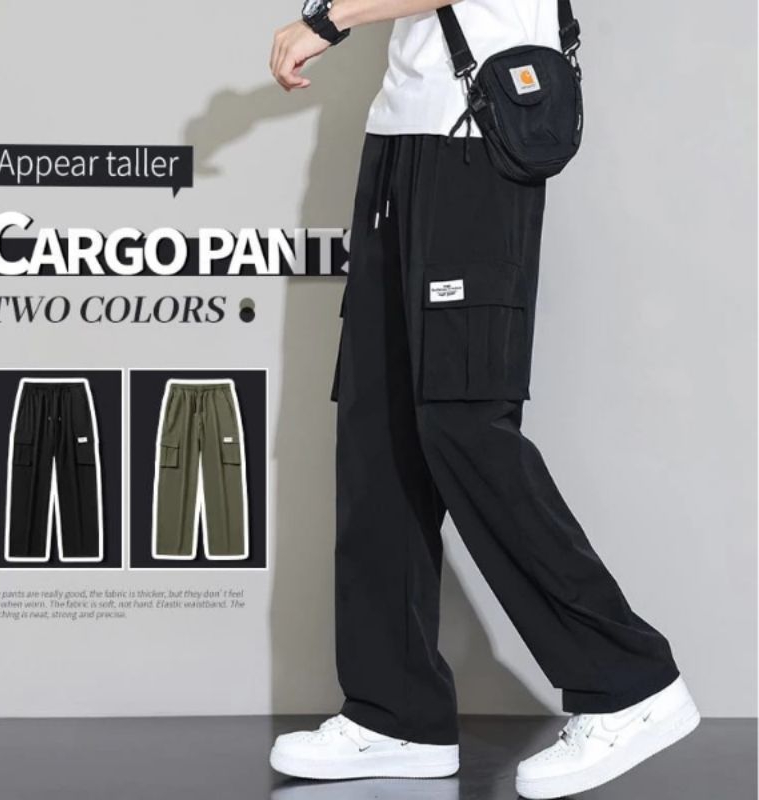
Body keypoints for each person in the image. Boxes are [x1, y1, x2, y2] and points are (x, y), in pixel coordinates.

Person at [268, 1, 700, 797]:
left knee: (464, 425)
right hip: (402, 139)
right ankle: (394, 714)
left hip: (473, 144)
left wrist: (327, 21)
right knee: (379, 429)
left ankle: (629, 684)